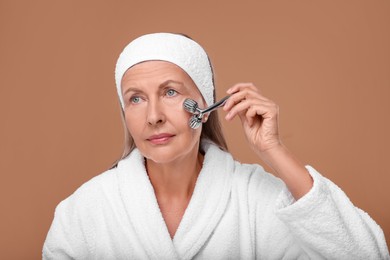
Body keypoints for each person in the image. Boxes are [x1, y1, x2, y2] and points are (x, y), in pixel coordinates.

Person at [43, 32, 389, 259]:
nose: (153, 116)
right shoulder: (85, 210)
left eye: (170, 92)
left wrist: (274, 150)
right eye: (135, 99)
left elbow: (365, 254)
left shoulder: (255, 200)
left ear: (205, 105)